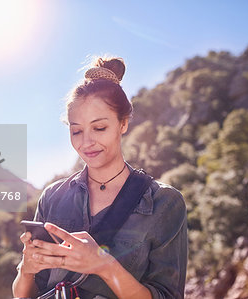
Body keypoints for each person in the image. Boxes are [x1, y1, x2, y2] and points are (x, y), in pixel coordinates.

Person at [12, 56, 188, 299]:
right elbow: (24, 295)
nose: (86, 142)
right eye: (76, 131)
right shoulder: (53, 197)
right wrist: (27, 269)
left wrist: (104, 266)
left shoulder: (164, 202)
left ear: (123, 124)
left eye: (99, 128)